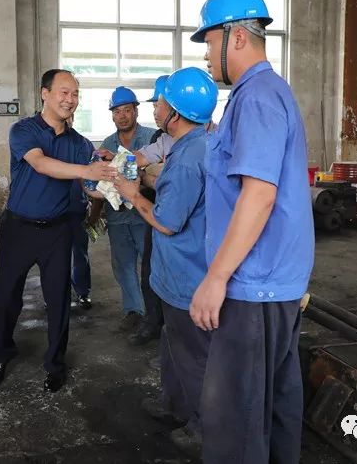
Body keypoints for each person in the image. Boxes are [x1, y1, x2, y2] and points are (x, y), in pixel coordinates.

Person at [188, 0, 314, 463]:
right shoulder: (264, 92)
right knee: (274, 408)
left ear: (236, 37)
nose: (206, 55)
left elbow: (259, 196)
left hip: (253, 287)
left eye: (209, 42)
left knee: (234, 420)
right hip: (272, 284)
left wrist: (216, 279)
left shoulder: (257, 97)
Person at [0, 69, 117, 393]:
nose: (70, 100)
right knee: (5, 299)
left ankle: (55, 364)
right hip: (18, 229)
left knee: (59, 301)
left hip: (58, 231)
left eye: (75, 94)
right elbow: (41, 163)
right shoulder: (24, 130)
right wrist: (88, 169)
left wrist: (115, 184)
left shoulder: (80, 144)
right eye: (64, 92)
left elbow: (89, 187)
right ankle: (1, 354)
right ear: (45, 93)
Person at [115, 67, 218, 452]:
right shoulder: (197, 143)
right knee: (172, 344)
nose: (155, 109)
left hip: (187, 274)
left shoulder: (189, 157)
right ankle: (174, 403)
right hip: (175, 273)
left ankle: (204, 426)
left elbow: (167, 222)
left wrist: (132, 193)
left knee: (193, 355)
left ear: (175, 113)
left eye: (160, 102)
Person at [99, 86, 157, 331]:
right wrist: (95, 213)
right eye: (117, 111)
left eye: (126, 110)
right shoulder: (106, 143)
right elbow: (102, 182)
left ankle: (155, 314)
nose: (122, 116)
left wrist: (117, 160)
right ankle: (134, 311)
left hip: (145, 214)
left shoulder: (152, 138)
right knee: (122, 265)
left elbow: (158, 173)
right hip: (117, 216)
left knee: (151, 265)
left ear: (136, 111)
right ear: (112, 115)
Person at [127, 75, 173, 346]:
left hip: (182, 219)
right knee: (151, 268)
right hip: (157, 211)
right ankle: (153, 322)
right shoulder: (162, 138)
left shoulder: (205, 140)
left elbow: (165, 177)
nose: (155, 111)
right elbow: (141, 159)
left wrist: (147, 176)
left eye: (159, 105)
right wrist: (118, 162)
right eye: (154, 105)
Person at [66, 114, 93, 310]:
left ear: (73, 118)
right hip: (52, 212)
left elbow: (91, 179)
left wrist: (94, 204)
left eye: (69, 116)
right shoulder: (45, 144)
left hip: (77, 208)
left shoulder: (84, 144)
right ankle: (55, 295)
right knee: (54, 257)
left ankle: (83, 292)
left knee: (80, 253)